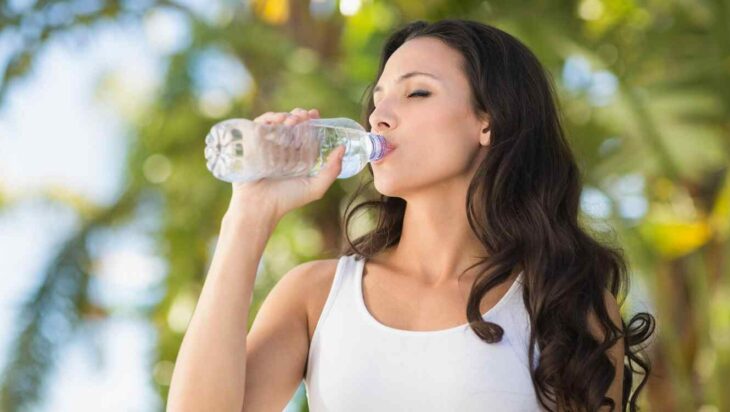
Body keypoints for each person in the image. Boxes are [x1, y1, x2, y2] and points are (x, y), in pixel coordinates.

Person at [167, 19, 655, 412]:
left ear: (488, 121)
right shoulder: (315, 295)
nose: (378, 116)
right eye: (378, 98)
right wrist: (248, 216)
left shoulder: (565, 302)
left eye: (416, 93)